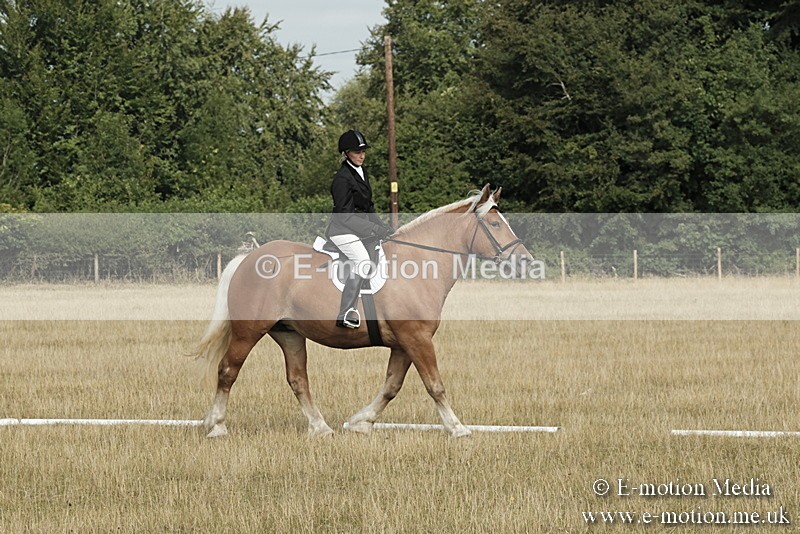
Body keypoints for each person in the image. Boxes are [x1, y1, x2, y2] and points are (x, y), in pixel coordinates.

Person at [327, 129, 393, 329]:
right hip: (342, 230)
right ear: (346, 153)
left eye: (363, 151)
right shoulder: (341, 179)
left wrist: (383, 228)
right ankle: (345, 312)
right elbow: (345, 215)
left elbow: (368, 206)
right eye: (357, 152)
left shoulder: (361, 171)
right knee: (363, 262)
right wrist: (372, 229)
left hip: (358, 229)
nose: (361, 155)